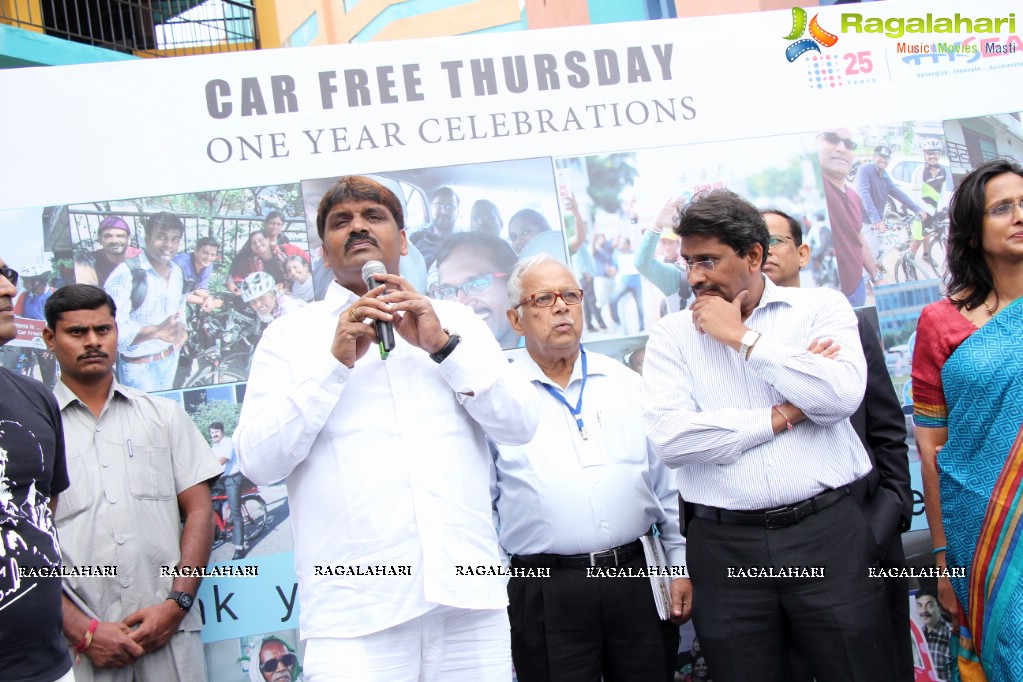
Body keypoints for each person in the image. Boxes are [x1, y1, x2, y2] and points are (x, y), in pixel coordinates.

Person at [234, 175, 538, 681]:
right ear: (325, 250)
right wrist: (332, 367)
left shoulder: (455, 319)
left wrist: (444, 348)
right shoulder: (290, 337)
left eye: (373, 217)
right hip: (354, 614)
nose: (357, 228)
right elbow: (258, 463)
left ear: (402, 239)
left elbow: (520, 425)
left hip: (468, 599)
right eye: (340, 222)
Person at [641, 189, 893, 681]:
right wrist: (783, 414)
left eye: (708, 261)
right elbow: (673, 440)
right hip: (723, 546)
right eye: (689, 261)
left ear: (753, 256)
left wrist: (742, 339)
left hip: (826, 535)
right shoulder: (672, 336)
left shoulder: (821, 308)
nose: (694, 276)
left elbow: (840, 396)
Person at [494, 254, 689, 682]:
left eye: (571, 295)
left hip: (638, 576)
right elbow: (484, 507)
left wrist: (680, 566)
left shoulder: (626, 384)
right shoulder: (499, 402)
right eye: (544, 298)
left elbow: (669, 485)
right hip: (545, 587)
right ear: (516, 318)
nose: (561, 307)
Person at [762, 208, 914, 682]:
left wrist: (879, 523)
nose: (763, 253)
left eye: (775, 242)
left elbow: (888, 430)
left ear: (803, 253)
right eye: (752, 244)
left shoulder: (843, 323)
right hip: (774, 549)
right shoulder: (734, 341)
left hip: (862, 531)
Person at [42, 283, 222, 681]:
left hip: (168, 633)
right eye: (77, 332)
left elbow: (199, 511)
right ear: (50, 339)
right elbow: (23, 544)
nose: (93, 342)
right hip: (76, 648)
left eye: (103, 330)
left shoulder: (163, 417)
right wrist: (82, 631)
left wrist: (176, 605)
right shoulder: (35, 429)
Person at [911, 158, 1023, 681]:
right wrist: (943, 557)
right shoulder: (940, 323)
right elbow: (932, 448)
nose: (1019, 215)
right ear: (973, 231)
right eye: (1002, 208)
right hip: (984, 533)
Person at [0, 259, 74, 682]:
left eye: (8, 277)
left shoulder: (34, 398)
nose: (9, 291)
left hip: (48, 666)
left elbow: (41, 512)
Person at [104, 212, 188, 392]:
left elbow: (180, 307)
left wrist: (182, 329)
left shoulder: (177, 272)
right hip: (138, 369)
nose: (168, 245)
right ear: (147, 238)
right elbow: (111, 332)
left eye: (175, 239)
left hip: (170, 360)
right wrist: (156, 332)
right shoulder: (126, 274)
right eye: (161, 237)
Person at [817, 129, 885, 305]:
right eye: (832, 139)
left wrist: (876, 276)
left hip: (857, 290)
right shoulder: (819, 190)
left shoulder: (853, 195)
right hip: (828, 302)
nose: (841, 148)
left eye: (848, 144)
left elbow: (858, 237)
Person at [431, 232, 519, 348]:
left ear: (514, 283)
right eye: (448, 291)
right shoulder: (442, 360)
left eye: (477, 284)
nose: (461, 303)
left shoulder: (549, 353)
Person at [855, 144, 927, 269]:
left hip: (877, 219)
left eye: (886, 158)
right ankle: (866, 281)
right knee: (870, 252)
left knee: (881, 244)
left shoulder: (885, 176)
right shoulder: (865, 170)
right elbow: (864, 194)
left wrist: (916, 209)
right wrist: (875, 219)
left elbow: (898, 193)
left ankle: (877, 263)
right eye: (880, 157)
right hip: (864, 219)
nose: (883, 160)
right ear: (874, 157)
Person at [228, 230, 310, 295]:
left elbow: (309, 261)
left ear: (267, 240)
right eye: (254, 243)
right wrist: (234, 285)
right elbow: (240, 275)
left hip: (301, 289)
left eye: (260, 240)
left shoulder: (286, 249)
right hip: (276, 297)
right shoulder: (254, 263)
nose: (258, 244)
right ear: (251, 248)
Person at [210, 421, 246, 560]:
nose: (214, 435)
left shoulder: (228, 443)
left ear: (222, 431)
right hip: (221, 480)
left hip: (232, 479)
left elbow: (222, 460)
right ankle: (218, 531)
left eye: (216, 432)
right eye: (212, 433)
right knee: (212, 504)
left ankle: (239, 548)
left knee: (236, 513)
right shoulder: (214, 446)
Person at [913, 138, 949, 269]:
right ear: (924, 154)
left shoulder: (942, 171)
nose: (932, 156)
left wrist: (944, 207)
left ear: (939, 154)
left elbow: (943, 191)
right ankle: (909, 263)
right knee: (917, 240)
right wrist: (933, 211)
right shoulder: (919, 171)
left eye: (935, 153)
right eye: (929, 153)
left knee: (928, 234)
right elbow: (916, 197)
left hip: (934, 209)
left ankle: (926, 255)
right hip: (921, 210)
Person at [410, 186, 460, 267]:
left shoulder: (462, 243)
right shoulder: (415, 238)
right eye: (439, 205)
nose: (444, 211)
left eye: (450, 206)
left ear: (457, 212)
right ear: (431, 207)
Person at [172, 236, 222, 313]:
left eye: (212, 255)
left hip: (179, 304)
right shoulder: (179, 264)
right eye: (205, 253)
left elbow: (200, 288)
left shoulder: (208, 265)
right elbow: (175, 295)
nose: (208, 258)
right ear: (196, 251)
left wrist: (209, 298)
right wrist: (209, 302)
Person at [240, 271, 306, 325]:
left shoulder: (290, 312)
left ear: (274, 294)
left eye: (262, 298)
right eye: (253, 301)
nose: (258, 305)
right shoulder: (274, 308)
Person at [916, 590, 953, 682]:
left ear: (940, 607)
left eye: (930, 605)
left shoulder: (952, 634)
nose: (924, 610)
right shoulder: (918, 635)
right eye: (920, 605)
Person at [92, 216, 142, 286]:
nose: (114, 241)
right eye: (108, 236)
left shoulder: (140, 256)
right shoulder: (91, 260)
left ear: (128, 239)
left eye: (120, 236)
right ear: (100, 239)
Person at [610, 237, 644, 332]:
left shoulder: (634, 254)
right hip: (624, 284)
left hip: (636, 284)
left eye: (624, 243)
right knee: (613, 298)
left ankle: (642, 325)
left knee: (639, 305)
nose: (622, 245)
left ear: (628, 244)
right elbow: (613, 270)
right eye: (620, 243)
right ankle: (617, 320)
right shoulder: (617, 255)